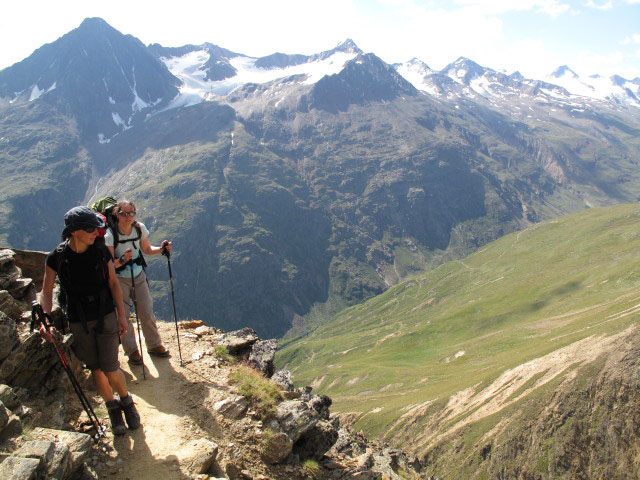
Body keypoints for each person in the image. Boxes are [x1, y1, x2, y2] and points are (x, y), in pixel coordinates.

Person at [40, 206, 140, 436]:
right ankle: (112, 409)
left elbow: (114, 283)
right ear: (74, 231)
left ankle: (126, 402)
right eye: (90, 229)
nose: (96, 233)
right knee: (95, 368)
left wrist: (122, 315)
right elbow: (46, 291)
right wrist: (44, 319)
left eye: (96, 228)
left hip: (105, 314)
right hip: (78, 319)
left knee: (110, 367)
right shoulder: (56, 257)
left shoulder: (100, 251)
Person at [104, 199, 172, 364]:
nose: (128, 217)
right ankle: (132, 351)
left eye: (131, 213)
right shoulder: (110, 234)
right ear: (116, 214)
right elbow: (109, 264)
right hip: (119, 279)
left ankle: (154, 345)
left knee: (146, 311)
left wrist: (162, 249)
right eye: (124, 213)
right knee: (124, 316)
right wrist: (122, 259)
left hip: (138, 275)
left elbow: (147, 249)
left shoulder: (139, 228)